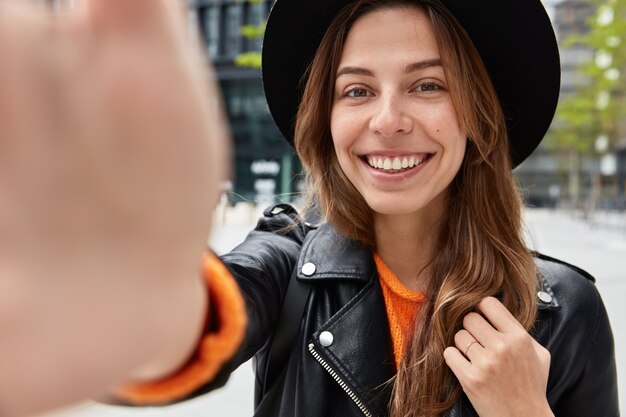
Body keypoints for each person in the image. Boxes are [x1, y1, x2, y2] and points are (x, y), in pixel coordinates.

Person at [0, 0, 619, 416]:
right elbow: (189, 319)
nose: (388, 120)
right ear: (326, 121)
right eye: (357, 90)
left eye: (427, 85)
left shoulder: (563, 311)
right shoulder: (287, 261)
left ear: (477, 115)